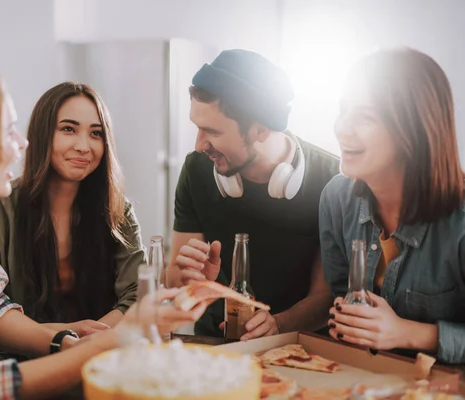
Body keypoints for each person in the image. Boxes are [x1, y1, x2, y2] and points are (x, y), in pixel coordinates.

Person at [0, 63, 206, 399]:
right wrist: (113, 338)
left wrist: (66, 341)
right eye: (8, 130)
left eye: (96, 133)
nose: (22, 143)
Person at [166, 49, 340, 340]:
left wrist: (278, 324)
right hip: (214, 343)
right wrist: (185, 278)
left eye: (212, 132)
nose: (198, 145)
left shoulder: (331, 180)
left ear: (260, 129)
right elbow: (173, 277)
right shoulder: (196, 169)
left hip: (299, 347)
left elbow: (325, 297)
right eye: (197, 128)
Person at [321, 47, 465, 364]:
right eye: (343, 110)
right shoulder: (336, 198)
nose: (343, 128)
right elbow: (338, 298)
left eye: (365, 116)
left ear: (413, 130)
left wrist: (405, 332)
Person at [0, 82, 143, 336]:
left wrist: (87, 340)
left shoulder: (118, 209)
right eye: (68, 129)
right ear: (43, 134)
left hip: (99, 354)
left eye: (96, 133)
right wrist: (63, 339)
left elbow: (139, 292)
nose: (84, 146)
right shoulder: (1, 206)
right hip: (19, 357)